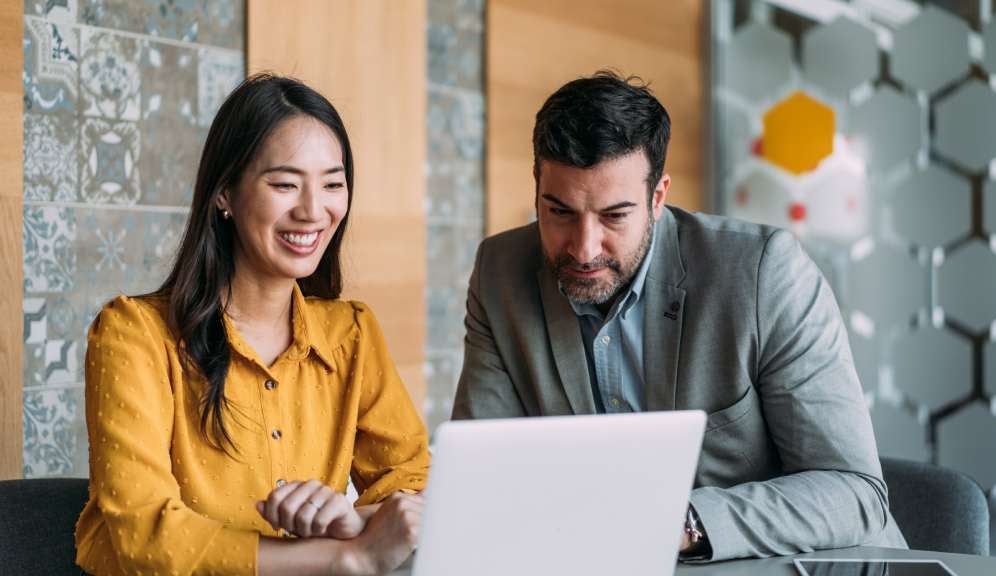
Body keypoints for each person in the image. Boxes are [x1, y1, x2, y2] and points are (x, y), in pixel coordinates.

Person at [451, 71, 908, 561]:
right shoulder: (500, 273)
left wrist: (681, 522)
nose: (584, 248)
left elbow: (855, 494)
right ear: (537, 187)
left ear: (658, 197)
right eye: (559, 212)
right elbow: (484, 479)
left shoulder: (762, 274)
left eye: (614, 216)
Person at [75, 74, 429, 576]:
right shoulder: (132, 334)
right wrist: (344, 556)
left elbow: (414, 484)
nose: (313, 211)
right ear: (224, 193)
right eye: (285, 184)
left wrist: (349, 518)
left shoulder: (351, 333)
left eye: (332, 183)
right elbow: (144, 535)